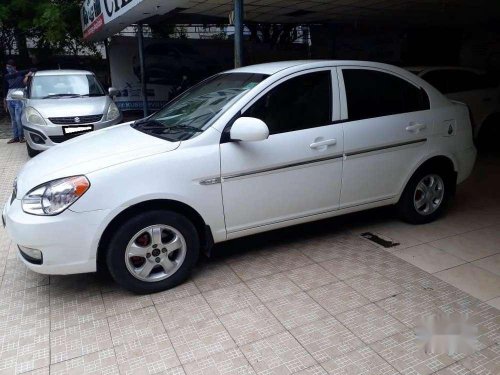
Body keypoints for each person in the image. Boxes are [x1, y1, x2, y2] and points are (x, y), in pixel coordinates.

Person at [3, 59, 32, 144]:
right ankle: (15, 137)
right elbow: (5, 88)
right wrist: (4, 99)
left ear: (14, 67)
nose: (8, 68)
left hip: (18, 99)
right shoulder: (7, 76)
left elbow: (33, 69)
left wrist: (27, 75)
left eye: (9, 67)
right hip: (9, 100)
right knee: (13, 120)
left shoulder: (21, 74)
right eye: (7, 67)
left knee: (18, 119)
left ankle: (21, 137)